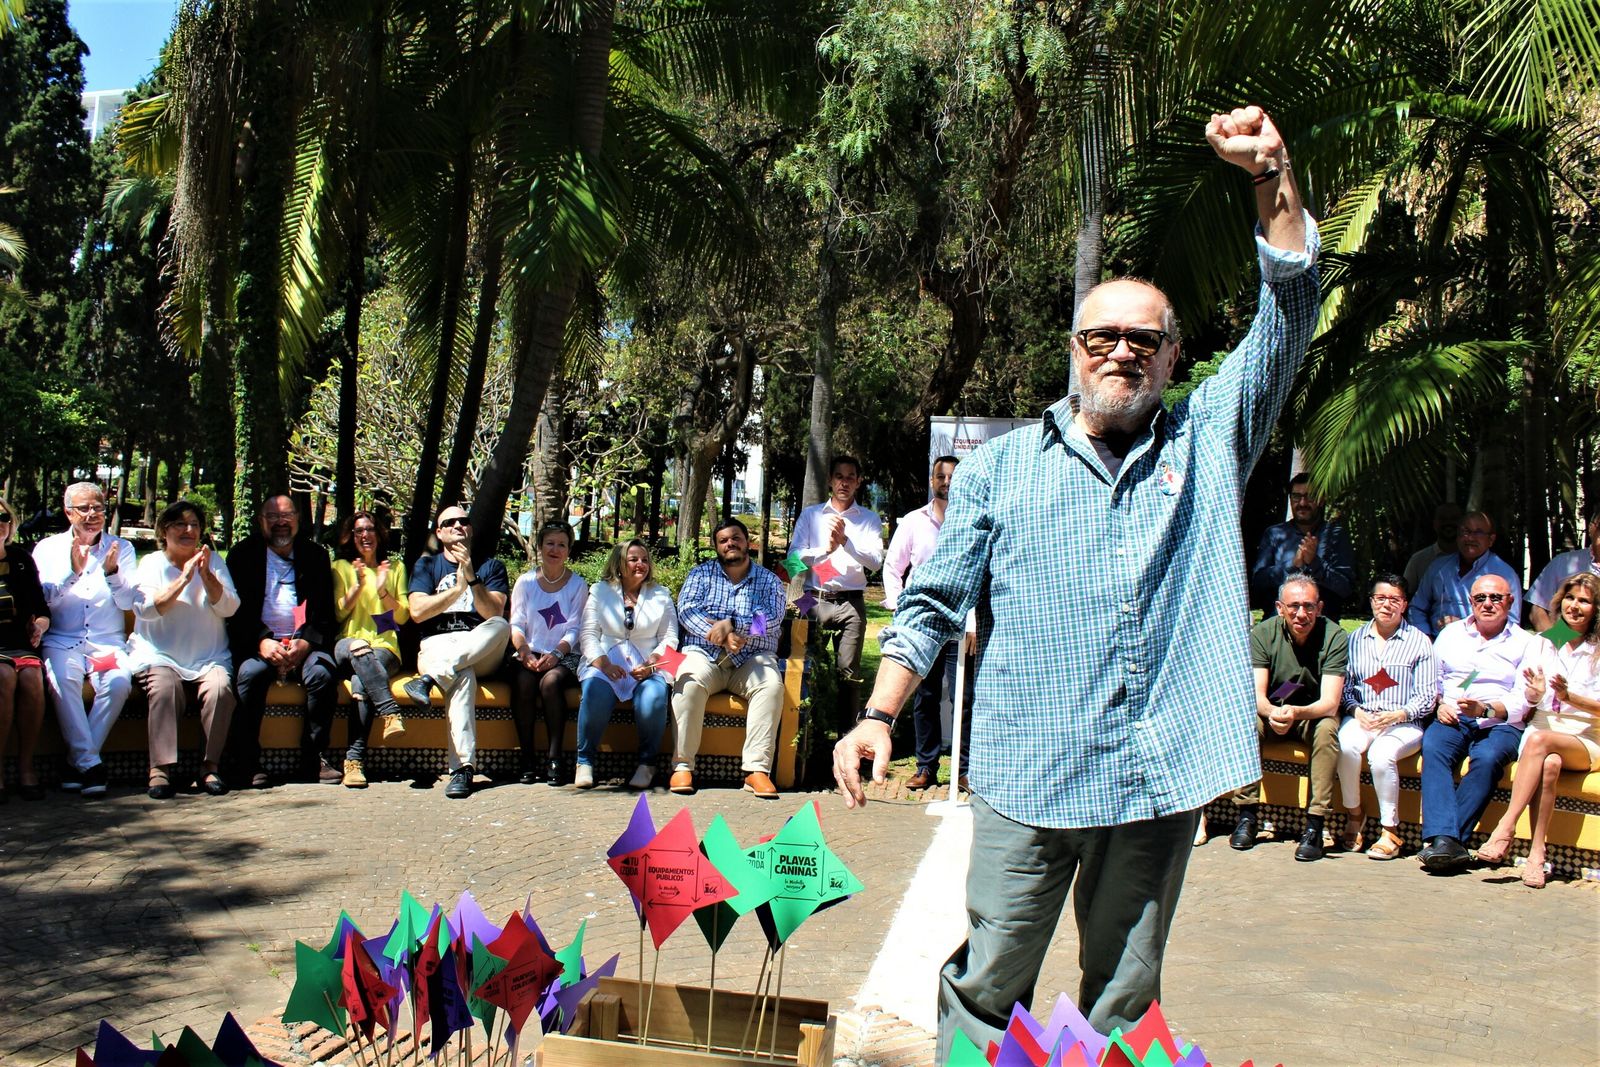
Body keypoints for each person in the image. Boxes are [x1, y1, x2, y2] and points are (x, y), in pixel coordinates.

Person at [833, 106, 1316, 1053]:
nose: (1122, 352)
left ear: (1174, 356)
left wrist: (1273, 177)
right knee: (989, 979)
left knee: (1123, 996)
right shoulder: (999, 471)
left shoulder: (1209, 437)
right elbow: (931, 604)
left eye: (1145, 339)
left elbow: (1290, 310)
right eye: (1102, 338)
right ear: (1073, 351)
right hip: (1030, 772)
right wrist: (880, 714)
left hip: (1154, 774)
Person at [1475, 572, 1600, 887]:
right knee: (1549, 763)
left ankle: (1505, 827)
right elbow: (1527, 697)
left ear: (1596, 607)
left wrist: (1571, 698)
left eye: (1584, 601)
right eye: (1569, 598)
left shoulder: (1598, 647)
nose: (1574, 606)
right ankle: (1536, 856)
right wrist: (1535, 692)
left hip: (1586, 735)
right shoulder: (1548, 640)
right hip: (1544, 727)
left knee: (1541, 742)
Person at [1416, 573, 1544, 873]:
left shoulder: (1527, 643)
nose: (1487, 604)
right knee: (1433, 748)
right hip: (1454, 716)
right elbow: (1433, 679)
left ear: (1510, 602)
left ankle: (1445, 842)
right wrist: (1440, 705)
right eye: (1480, 598)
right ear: (1471, 601)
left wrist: (1485, 710)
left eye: (1496, 598)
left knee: (1487, 759)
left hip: (1499, 722)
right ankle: (1450, 843)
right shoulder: (1450, 635)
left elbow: (1522, 700)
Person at [1229, 573, 1347, 860]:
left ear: (1319, 608)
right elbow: (1256, 696)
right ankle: (1246, 816)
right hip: (1273, 711)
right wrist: (1273, 713)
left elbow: (1330, 703)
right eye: (1294, 606)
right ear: (1280, 608)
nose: (1301, 614)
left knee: (1327, 731)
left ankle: (1315, 825)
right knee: (1246, 724)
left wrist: (1295, 713)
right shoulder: (1263, 633)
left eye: (1309, 606)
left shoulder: (1335, 636)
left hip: (1311, 714)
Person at [126, 501, 240, 798]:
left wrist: (206, 576)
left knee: (220, 688)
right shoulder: (152, 563)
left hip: (209, 656)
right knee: (165, 688)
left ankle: (209, 766)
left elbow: (230, 607)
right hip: (158, 653)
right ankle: (159, 771)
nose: (188, 530)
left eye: (194, 525)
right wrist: (184, 578)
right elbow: (145, 609)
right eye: (180, 524)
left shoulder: (212, 561)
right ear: (165, 530)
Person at [225, 493, 340, 787]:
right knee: (249, 675)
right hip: (259, 644)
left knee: (323, 674)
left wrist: (306, 642)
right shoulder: (242, 555)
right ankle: (247, 761)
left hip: (304, 644)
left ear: (297, 520)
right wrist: (262, 641)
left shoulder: (315, 556)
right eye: (273, 517)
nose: (280, 523)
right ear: (261, 521)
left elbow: (325, 611)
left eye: (286, 516)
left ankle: (314, 759)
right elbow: (235, 612)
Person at [668, 519, 788, 798]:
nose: (730, 543)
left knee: (770, 685)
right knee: (687, 682)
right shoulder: (700, 575)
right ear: (716, 547)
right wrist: (721, 635)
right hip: (705, 656)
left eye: (736, 538)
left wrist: (733, 624)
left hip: (751, 659)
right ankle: (682, 765)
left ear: (747, 542)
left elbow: (771, 619)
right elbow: (686, 612)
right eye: (723, 540)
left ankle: (756, 770)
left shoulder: (768, 580)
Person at [33, 482, 136, 797]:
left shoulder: (122, 548)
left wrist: (113, 574)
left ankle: (77, 762)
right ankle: (90, 763)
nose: (92, 515)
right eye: (84, 508)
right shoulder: (47, 549)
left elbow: (129, 602)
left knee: (119, 683)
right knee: (61, 679)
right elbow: (42, 602)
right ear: (68, 512)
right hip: (63, 640)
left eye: (98, 508)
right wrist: (73, 574)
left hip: (107, 643)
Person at [405, 505, 510, 799]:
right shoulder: (426, 567)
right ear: (439, 533)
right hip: (438, 644)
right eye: (449, 522)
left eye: (464, 521)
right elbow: (417, 612)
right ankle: (463, 769)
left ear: (471, 529)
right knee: (460, 673)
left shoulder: (491, 567)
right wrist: (455, 590)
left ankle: (427, 680)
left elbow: (493, 611)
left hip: (479, 646)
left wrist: (472, 578)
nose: (458, 526)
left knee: (500, 625)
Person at [884, 455, 974, 789]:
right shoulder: (912, 521)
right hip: (923, 627)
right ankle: (926, 767)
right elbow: (893, 568)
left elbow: (982, 575)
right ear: (932, 480)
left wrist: (975, 622)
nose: (947, 481)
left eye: (953, 475)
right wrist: (899, 608)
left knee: (965, 698)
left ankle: (964, 770)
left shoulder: (972, 520)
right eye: (941, 476)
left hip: (962, 625)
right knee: (925, 697)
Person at [1335, 574, 1438, 860]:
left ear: (1404, 605)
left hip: (1404, 722)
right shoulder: (1354, 640)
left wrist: (1398, 714)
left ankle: (1390, 830)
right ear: (1371, 602)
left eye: (1394, 599)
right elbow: (1344, 690)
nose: (1387, 605)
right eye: (1381, 598)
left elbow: (1427, 697)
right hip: (1363, 716)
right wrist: (1355, 711)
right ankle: (1355, 814)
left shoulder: (1420, 642)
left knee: (1381, 754)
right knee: (1345, 745)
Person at [575, 538, 676, 790]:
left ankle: (647, 763)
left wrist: (652, 664)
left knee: (654, 697)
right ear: (619, 564)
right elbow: (588, 634)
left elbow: (670, 637)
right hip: (605, 661)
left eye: (644, 559)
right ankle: (584, 761)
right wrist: (603, 664)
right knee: (594, 693)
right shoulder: (600, 591)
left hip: (648, 663)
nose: (640, 564)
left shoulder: (661, 595)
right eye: (633, 559)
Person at [790, 456, 883, 723]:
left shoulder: (869, 519)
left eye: (850, 477)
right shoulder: (811, 515)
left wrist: (846, 542)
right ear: (831, 480)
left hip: (851, 602)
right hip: (811, 598)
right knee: (805, 667)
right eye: (839, 476)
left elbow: (875, 563)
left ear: (858, 482)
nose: (844, 482)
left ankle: (847, 738)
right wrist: (826, 550)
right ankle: (807, 736)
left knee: (848, 674)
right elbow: (793, 560)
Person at [330, 510, 410, 788]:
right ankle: (390, 712)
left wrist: (381, 589)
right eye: (359, 530)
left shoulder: (395, 569)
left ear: (380, 534)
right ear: (350, 537)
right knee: (359, 648)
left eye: (371, 529)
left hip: (385, 648)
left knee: (359, 683)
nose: (365, 535)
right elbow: (337, 615)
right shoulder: (340, 567)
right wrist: (359, 584)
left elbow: (402, 617)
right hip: (346, 644)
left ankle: (354, 763)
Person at [507, 520, 586, 785]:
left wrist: (556, 654)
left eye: (562, 544)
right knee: (523, 682)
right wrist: (524, 650)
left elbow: (575, 629)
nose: (555, 549)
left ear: (569, 550)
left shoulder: (577, 585)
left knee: (551, 683)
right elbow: (516, 624)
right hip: (529, 652)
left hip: (565, 655)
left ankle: (555, 757)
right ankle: (527, 757)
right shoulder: (525, 582)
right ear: (540, 546)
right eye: (550, 543)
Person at [1249, 473, 1356, 619]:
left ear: (1321, 499)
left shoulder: (1335, 534)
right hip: (1279, 625)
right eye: (1296, 497)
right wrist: (1292, 565)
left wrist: (1314, 563)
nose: (1302, 503)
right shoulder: (1274, 534)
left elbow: (1346, 588)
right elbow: (1258, 583)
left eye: (1309, 496)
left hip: (1322, 628)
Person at [0, 495, 50, 801]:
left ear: (10, 525)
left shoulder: (20, 559)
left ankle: (26, 765)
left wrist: (39, 626)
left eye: (2, 519)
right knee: (3, 678)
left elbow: (42, 609)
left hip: (19, 645)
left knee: (32, 679)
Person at [1408, 511, 1522, 636]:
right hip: (1435, 642)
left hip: (1481, 647)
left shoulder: (1504, 574)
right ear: (1457, 536)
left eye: (1478, 532)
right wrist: (1425, 638)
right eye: (1465, 532)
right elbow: (1417, 608)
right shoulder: (1439, 567)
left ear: (1491, 539)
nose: (1470, 538)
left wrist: (1465, 627)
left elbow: (1512, 622)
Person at [1527, 508, 1600, 631]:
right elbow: (1537, 609)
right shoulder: (1563, 563)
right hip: (1567, 640)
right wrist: (1558, 643)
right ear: (1591, 528)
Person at [1403, 502, 1463, 594]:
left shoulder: (1474, 559)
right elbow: (1404, 595)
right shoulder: (1418, 560)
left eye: (1454, 519)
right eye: (1443, 519)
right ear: (1434, 524)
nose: (1448, 522)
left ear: (1463, 524)